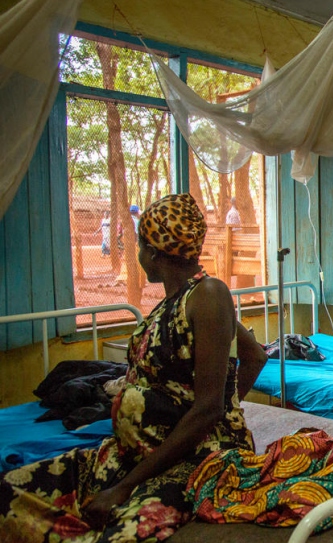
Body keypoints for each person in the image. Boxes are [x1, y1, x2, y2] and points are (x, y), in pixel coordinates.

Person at [0, 193, 260, 540]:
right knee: (12, 491)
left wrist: (125, 487)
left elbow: (210, 406)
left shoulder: (208, 295)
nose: (136, 255)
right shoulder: (178, 301)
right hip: (140, 454)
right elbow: (255, 356)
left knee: (116, 534)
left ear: (152, 251)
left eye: (137, 245)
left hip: (194, 461)